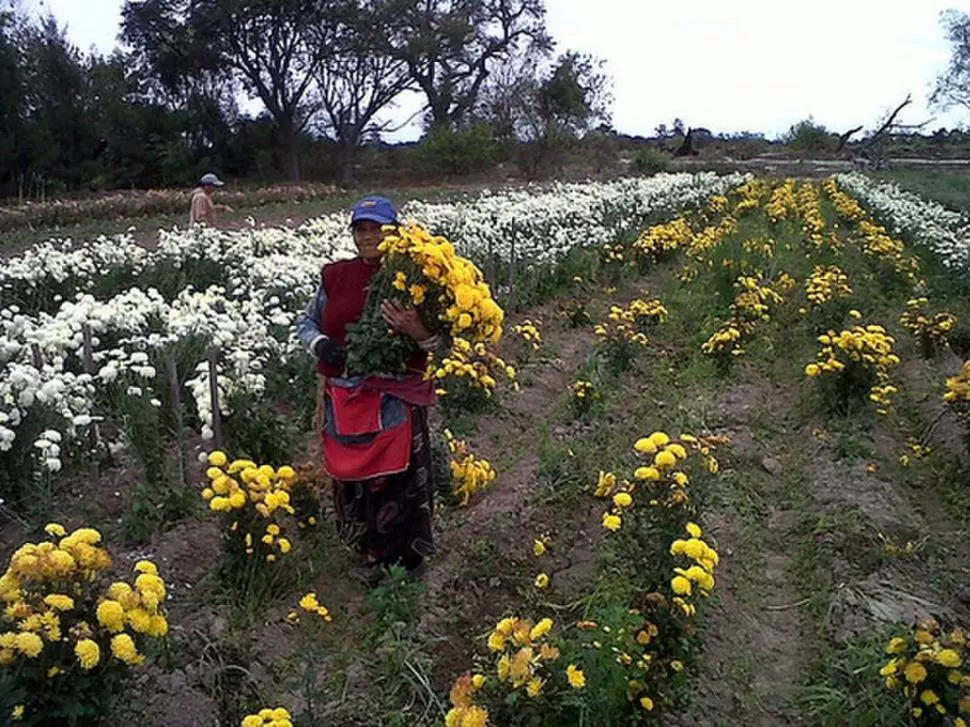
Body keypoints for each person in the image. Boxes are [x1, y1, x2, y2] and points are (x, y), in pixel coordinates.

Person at [296, 195, 439, 586]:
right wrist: (321, 345)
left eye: (378, 227)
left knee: (396, 483)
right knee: (351, 482)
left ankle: (404, 564)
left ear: (395, 233)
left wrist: (417, 330)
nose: (369, 235)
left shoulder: (415, 279)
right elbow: (306, 323)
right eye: (362, 228)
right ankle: (369, 553)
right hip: (343, 398)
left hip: (394, 398)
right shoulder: (335, 276)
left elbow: (441, 345)